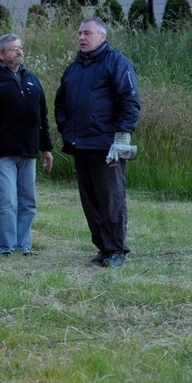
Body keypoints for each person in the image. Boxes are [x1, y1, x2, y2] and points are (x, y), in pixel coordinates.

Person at [54, 18, 141, 268]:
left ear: (101, 36)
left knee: (111, 198)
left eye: (87, 33)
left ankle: (116, 250)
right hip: (80, 145)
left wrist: (122, 137)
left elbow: (130, 101)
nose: (81, 37)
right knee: (90, 200)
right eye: (79, 33)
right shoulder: (74, 68)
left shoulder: (117, 62)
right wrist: (65, 127)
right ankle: (103, 248)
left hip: (107, 146)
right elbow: (61, 102)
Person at [0, 34, 54, 257]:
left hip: (29, 152)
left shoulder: (32, 80)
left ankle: (23, 246)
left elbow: (43, 117)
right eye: (13, 49)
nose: (19, 52)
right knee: (8, 201)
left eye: (20, 48)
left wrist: (46, 148)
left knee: (28, 202)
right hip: (3, 153)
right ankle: (5, 247)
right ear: (1, 54)